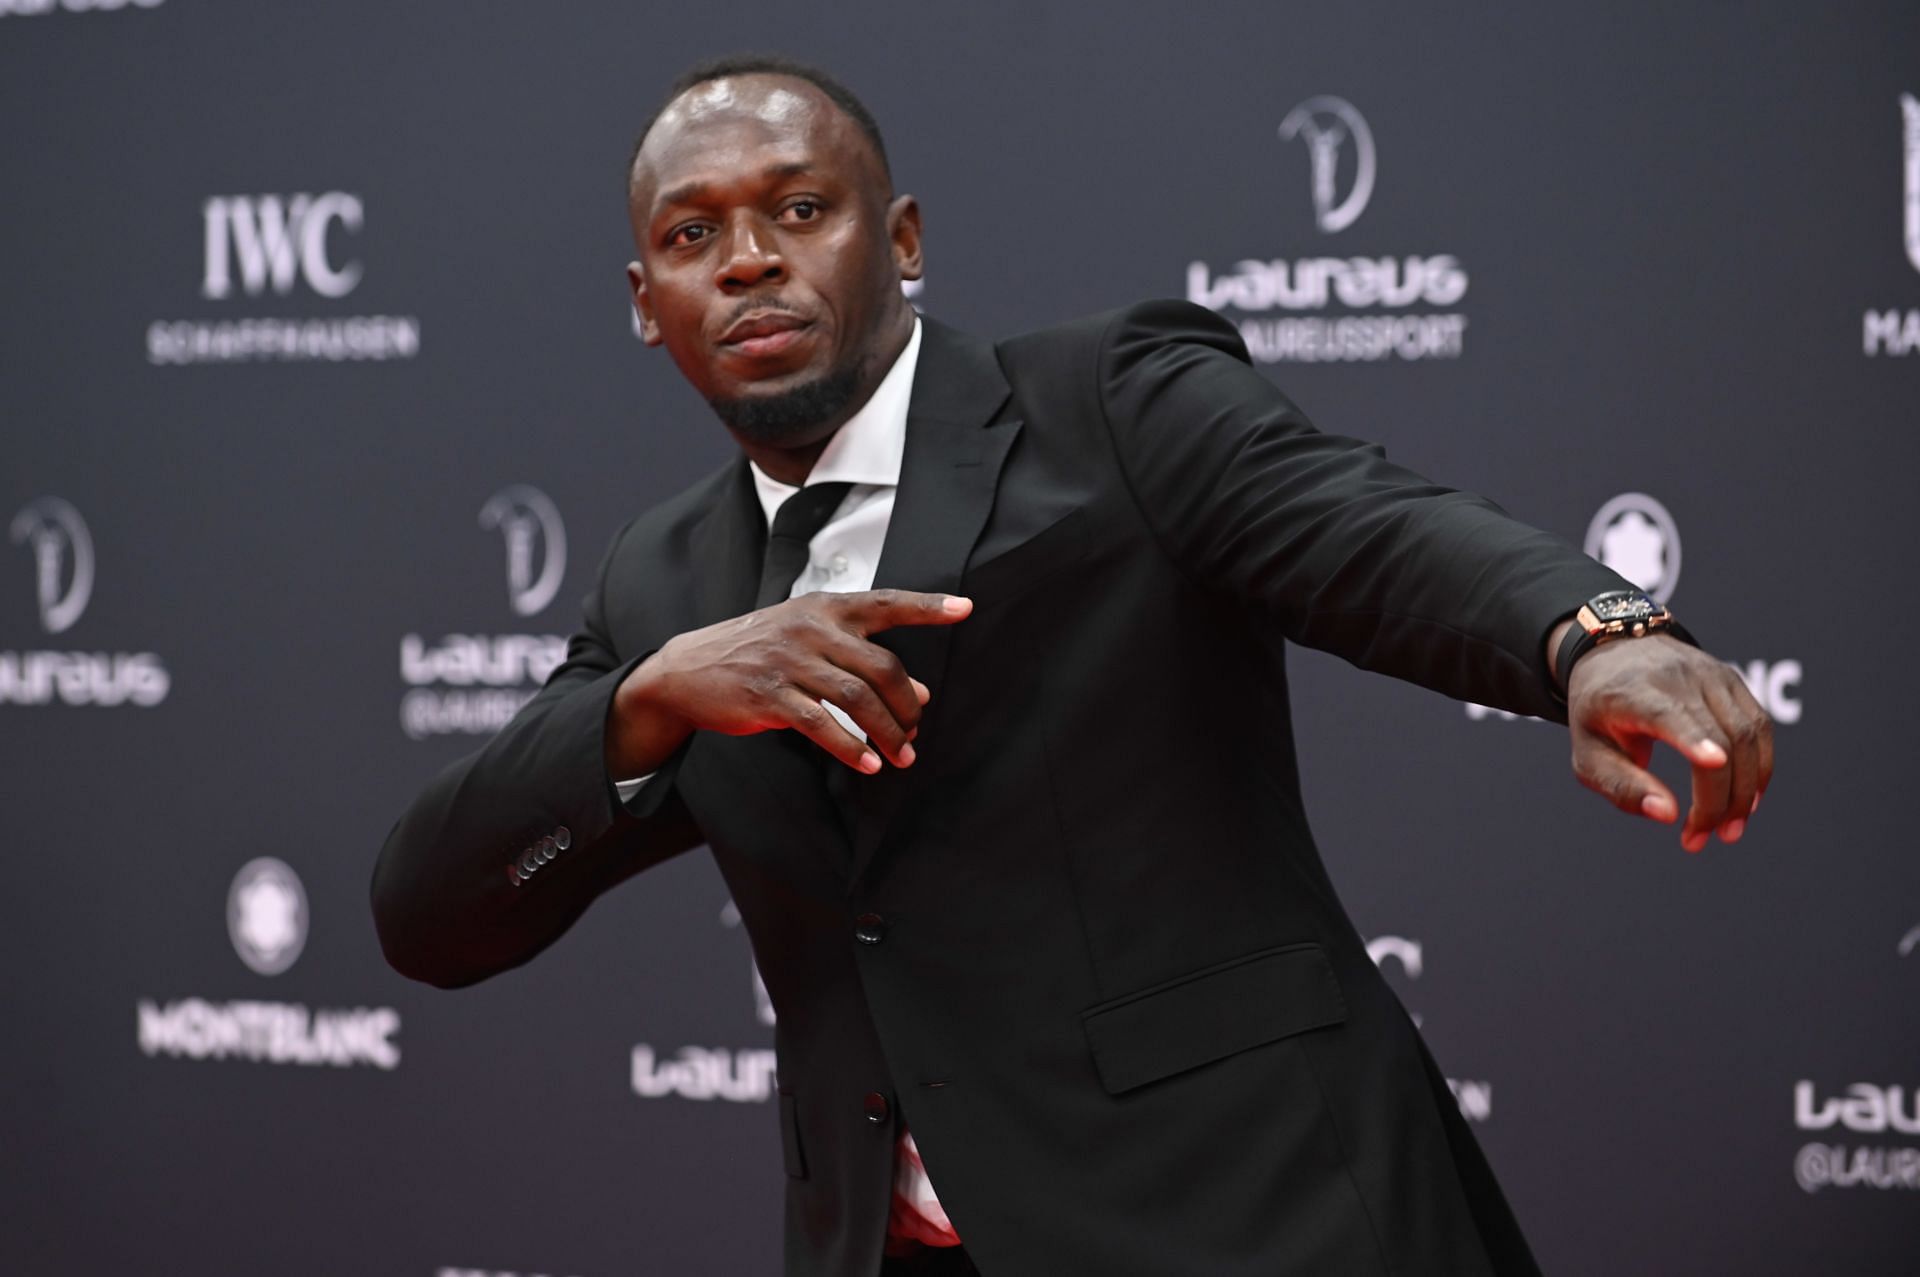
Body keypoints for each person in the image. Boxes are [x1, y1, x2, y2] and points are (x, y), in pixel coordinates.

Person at [371, 54, 1773, 1277]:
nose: (746, 260)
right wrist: (649, 699)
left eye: (800, 209)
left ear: (902, 238)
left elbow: (1374, 529)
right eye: (694, 234)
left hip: (1252, 1224)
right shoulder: (664, 584)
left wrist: (1593, 638)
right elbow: (431, 913)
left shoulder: (1108, 406)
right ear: (645, 300)